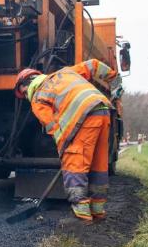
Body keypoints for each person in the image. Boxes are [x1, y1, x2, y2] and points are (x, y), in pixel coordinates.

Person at [15, 59, 117, 223]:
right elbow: (93, 65)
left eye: (23, 93)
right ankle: (98, 210)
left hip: (84, 118)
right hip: (103, 110)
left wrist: (64, 149)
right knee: (98, 163)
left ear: (25, 86)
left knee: (74, 162)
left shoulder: (37, 98)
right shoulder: (65, 72)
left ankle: (82, 215)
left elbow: (53, 126)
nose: (25, 95)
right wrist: (113, 77)